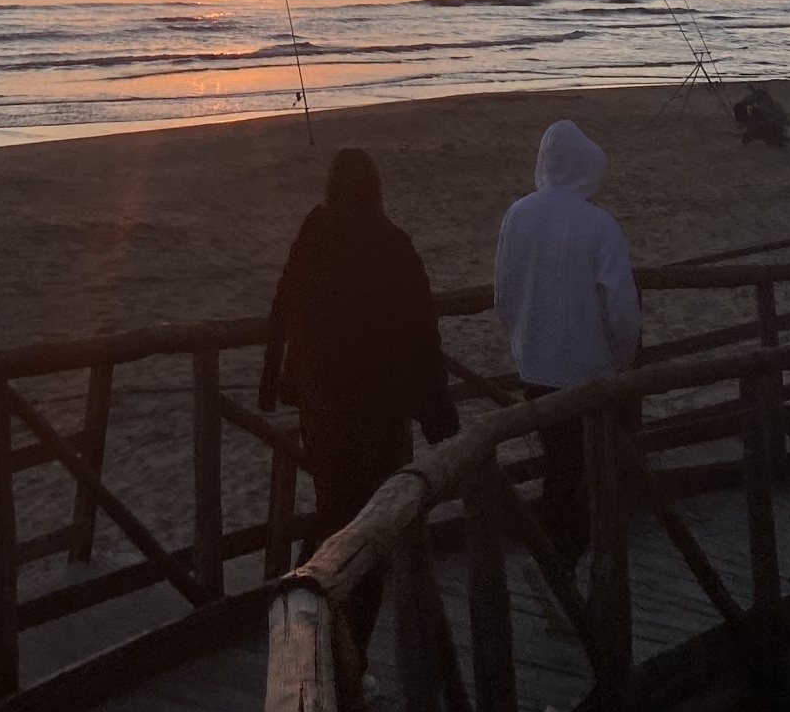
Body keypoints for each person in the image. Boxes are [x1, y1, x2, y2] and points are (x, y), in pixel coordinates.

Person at [258, 146, 459, 654]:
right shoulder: (394, 246)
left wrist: (271, 383)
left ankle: (307, 619)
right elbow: (424, 339)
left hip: (321, 411)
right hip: (379, 415)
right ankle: (337, 643)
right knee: (370, 532)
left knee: (335, 513)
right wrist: (444, 426)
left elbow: (281, 305)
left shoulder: (314, 235)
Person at [493, 121, 641, 572]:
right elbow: (621, 309)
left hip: (535, 371)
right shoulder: (599, 225)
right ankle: (567, 564)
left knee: (560, 469)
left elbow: (504, 296)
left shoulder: (517, 214)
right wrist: (622, 359)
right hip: (591, 374)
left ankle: (557, 563)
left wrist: (525, 341)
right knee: (593, 474)